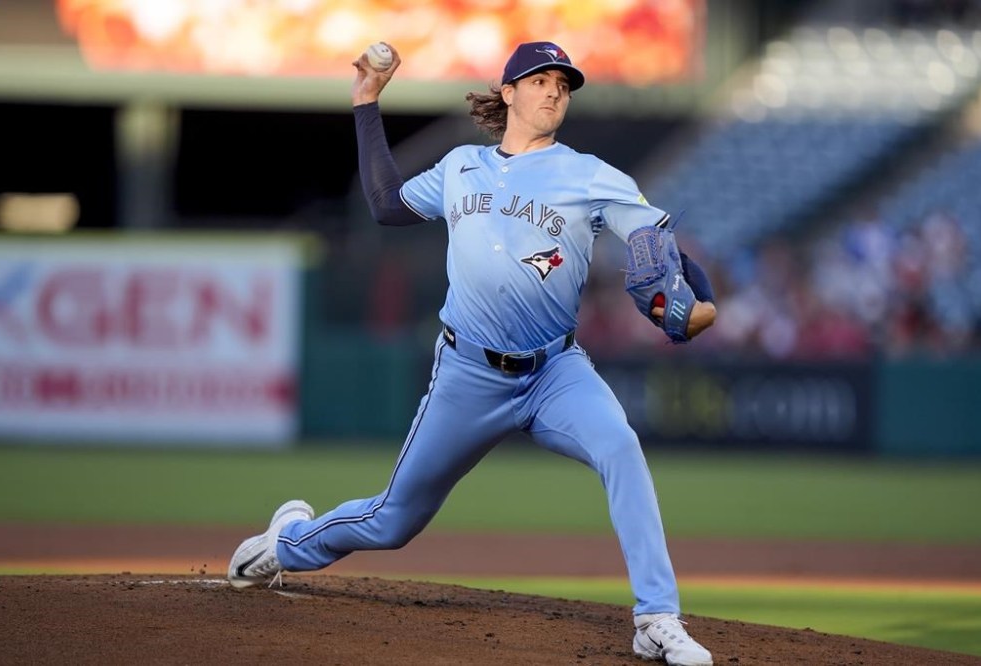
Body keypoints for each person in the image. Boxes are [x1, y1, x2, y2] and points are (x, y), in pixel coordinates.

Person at [228, 40, 717, 666]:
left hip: (554, 372)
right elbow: (385, 205)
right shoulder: (461, 166)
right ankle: (289, 541)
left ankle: (656, 618)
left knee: (621, 446)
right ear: (509, 91)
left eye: (564, 84)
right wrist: (366, 103)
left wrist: (687, 291)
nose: (554, 92)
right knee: (393, 521)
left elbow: (652, 238)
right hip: (468, 374)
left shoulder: (591, 174)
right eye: (540, 80)